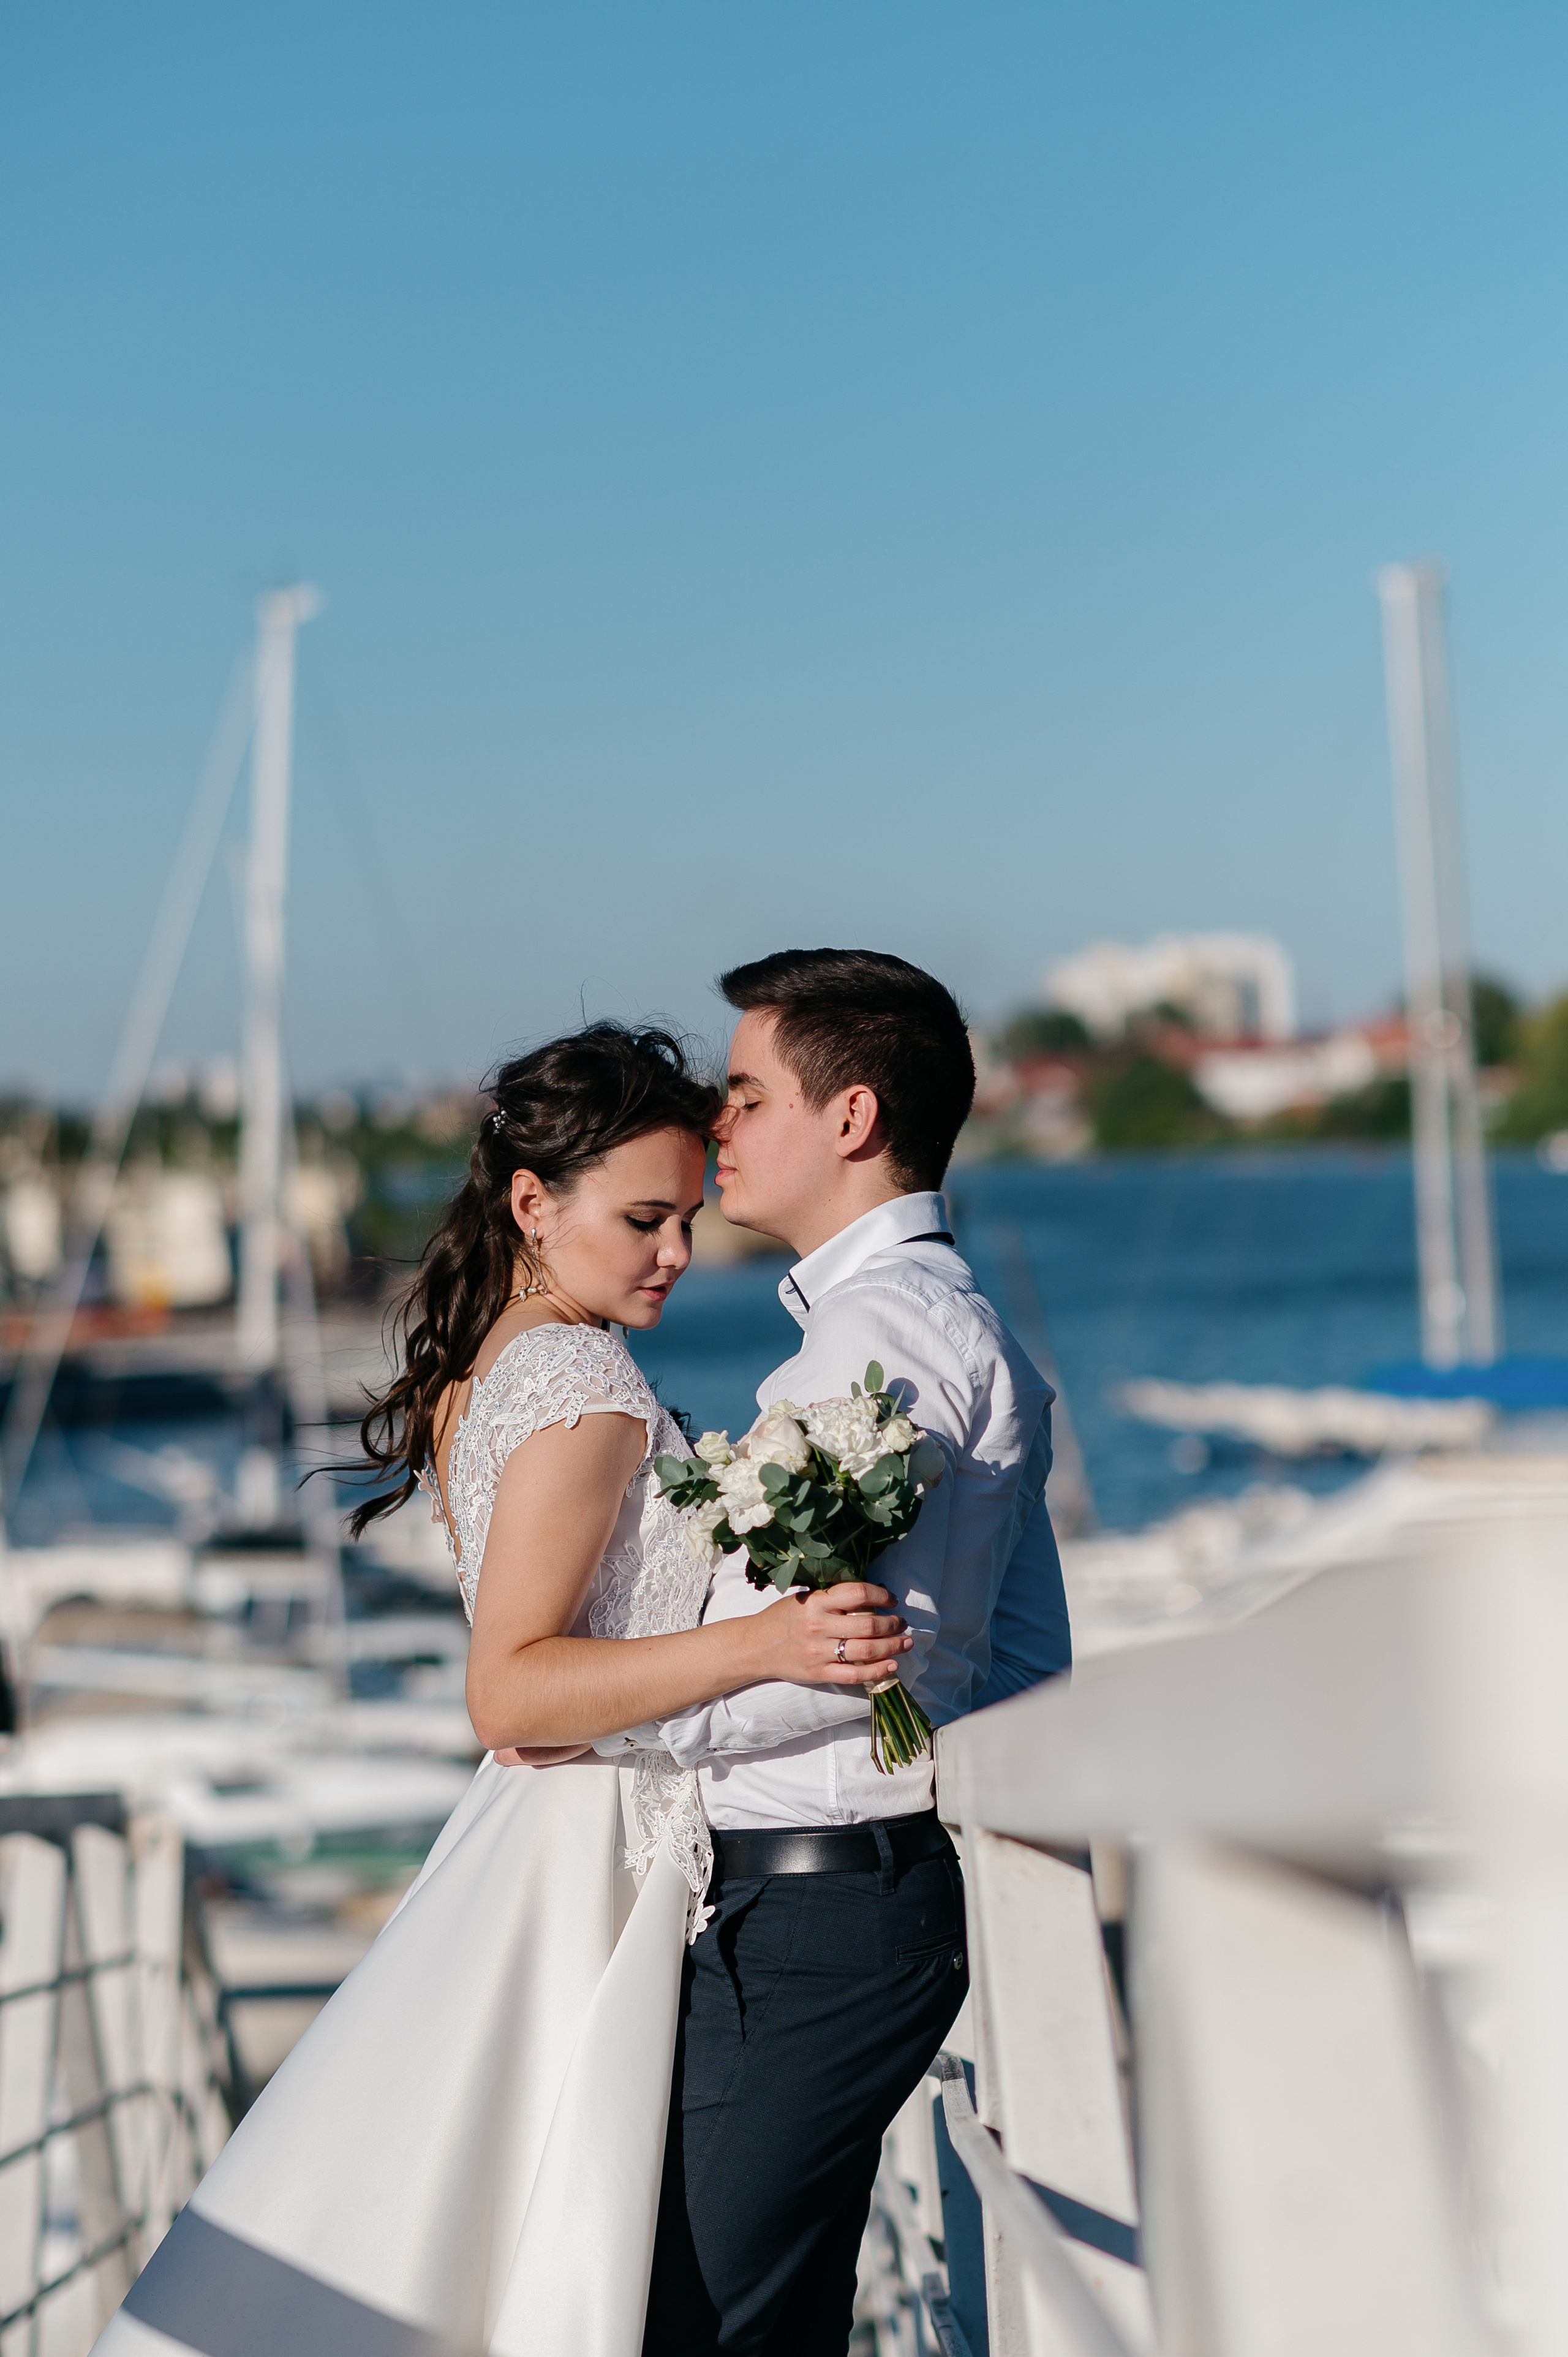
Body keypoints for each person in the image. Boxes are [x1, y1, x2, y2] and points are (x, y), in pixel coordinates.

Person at [92, 1022, 910, 2357]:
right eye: (645, 1219)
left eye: (688, 1219)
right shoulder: (581, 1386)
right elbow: (512, 1693)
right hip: (578, 1855)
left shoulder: (498, 1358)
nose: (675, 1254)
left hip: (547, 1842)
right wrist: (761, 1648)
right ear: (534, 1201)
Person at [635, 950, 1072, 2357]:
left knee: (700, 2320)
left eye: (749, 1093)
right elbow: (1006, 1655)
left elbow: (857, 1666)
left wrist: (615, 1715)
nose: (721, 1124)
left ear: (851, 1116)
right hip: (844, 1906)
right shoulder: (928, 1323)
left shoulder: (879, 1347)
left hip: (820, 1918)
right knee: (764, 2318)